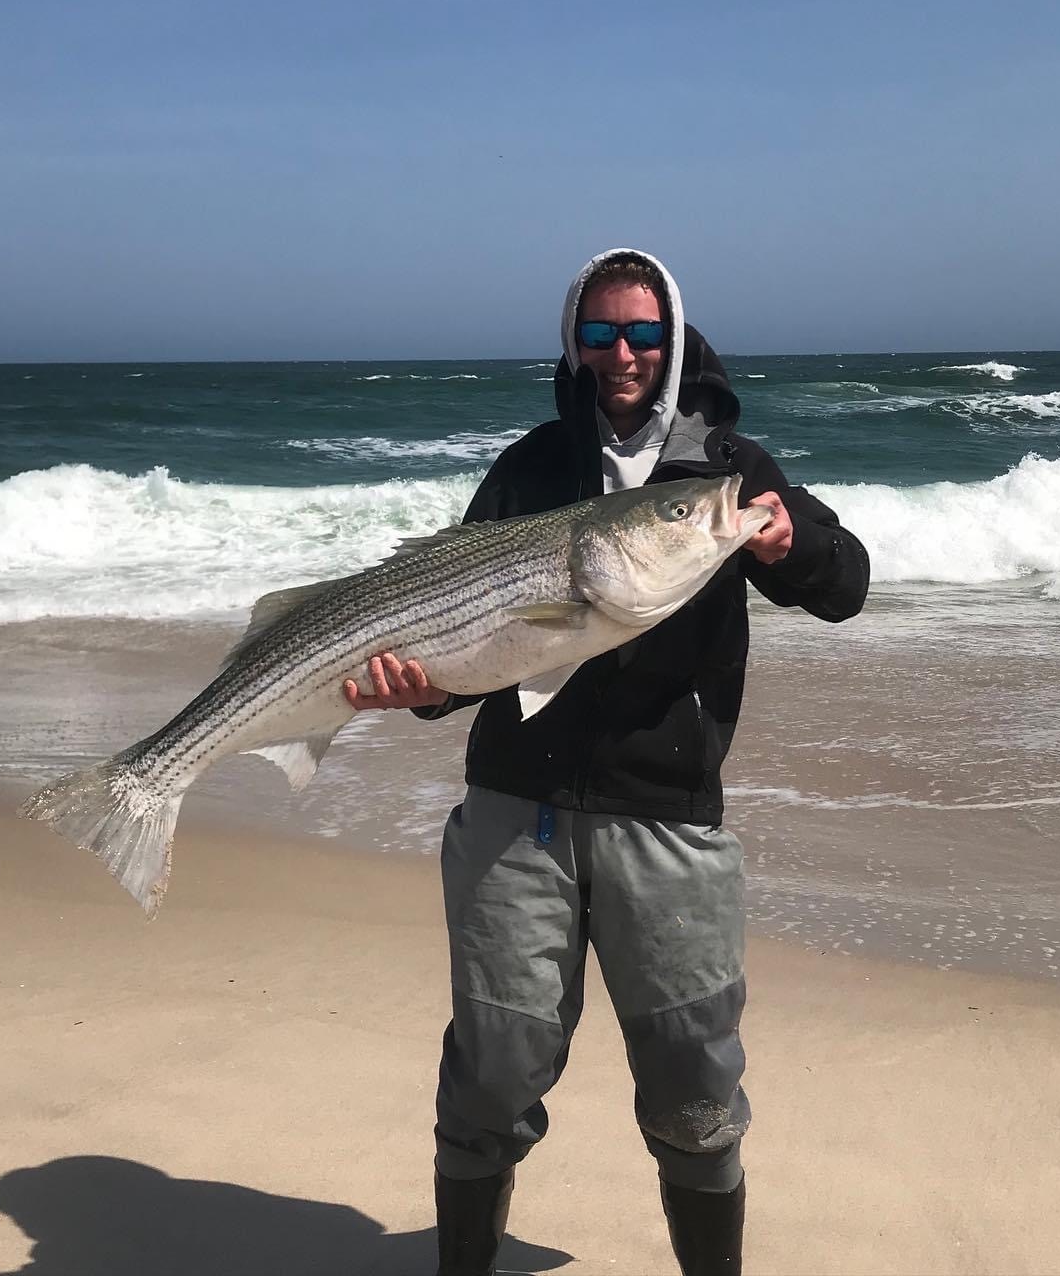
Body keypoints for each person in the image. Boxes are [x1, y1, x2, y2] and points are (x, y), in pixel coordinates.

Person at [344, 249, 870, 1276]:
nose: (621, 353)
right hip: (513, 810)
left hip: (666, 819)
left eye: (641, 334)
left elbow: (845, 582)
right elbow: (466, 641)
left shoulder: (727, 471)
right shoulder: (530, 469)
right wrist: (423, 690)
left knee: (692, 1090)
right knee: (491, 1076)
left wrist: (782, 542)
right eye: (598, 334)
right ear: (572, 343)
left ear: (674, 342)